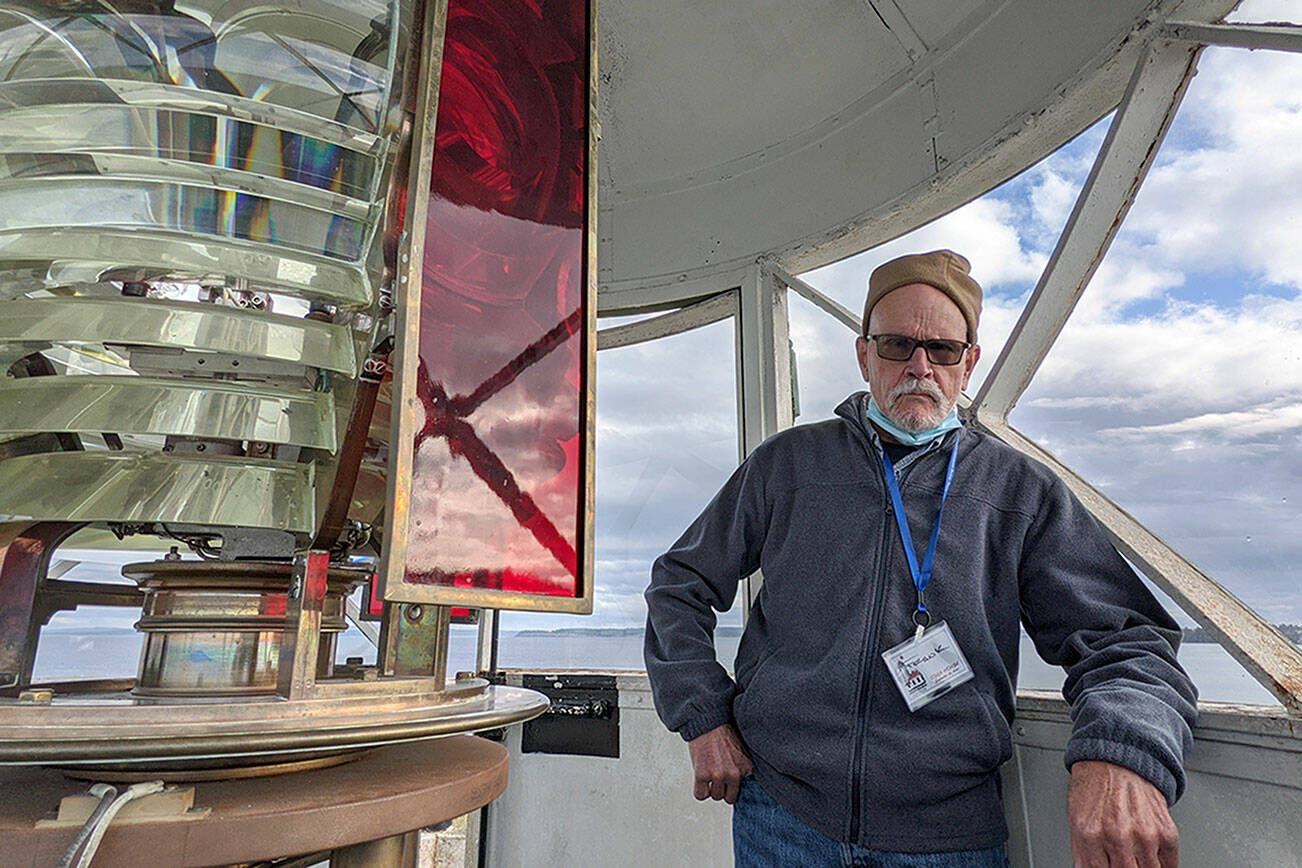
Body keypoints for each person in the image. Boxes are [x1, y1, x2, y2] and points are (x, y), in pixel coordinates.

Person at [644, 250, 1196, 867]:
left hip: (948, 837)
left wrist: (1118, 752)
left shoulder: (1018, 491)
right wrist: (702, 715)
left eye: (942, 349)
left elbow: (1127, 640)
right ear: (863, 355)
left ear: (971, 363)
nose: (919, 366)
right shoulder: (787, 468)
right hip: (781, 815)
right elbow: (680, 583)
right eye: (897, 344)